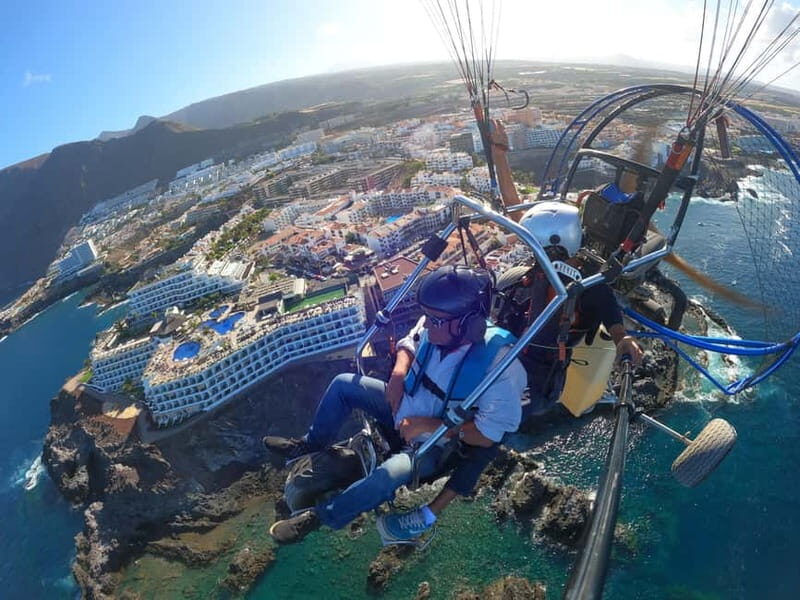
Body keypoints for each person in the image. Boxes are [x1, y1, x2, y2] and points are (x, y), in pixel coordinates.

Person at [264, 265, 528, 544]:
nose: (426, 324)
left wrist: (432, 427)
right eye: (427, 316)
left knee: (388, 475)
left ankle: (321, 516)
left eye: (435, 321)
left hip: (432, 445)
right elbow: (409, 343)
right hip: (402, 406)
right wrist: (398, 375)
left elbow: (488, 437)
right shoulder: (438, 323)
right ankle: (308, 445)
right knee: (343, 384)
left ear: (467, 324)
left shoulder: (500, 367)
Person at [489, 120, 643, 420]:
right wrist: (500, 155)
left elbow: (615, 324)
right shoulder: (556, 271)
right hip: (509, 355)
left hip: (536, 380)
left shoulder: (589, 286)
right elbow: (516, 210)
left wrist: (624, 340)